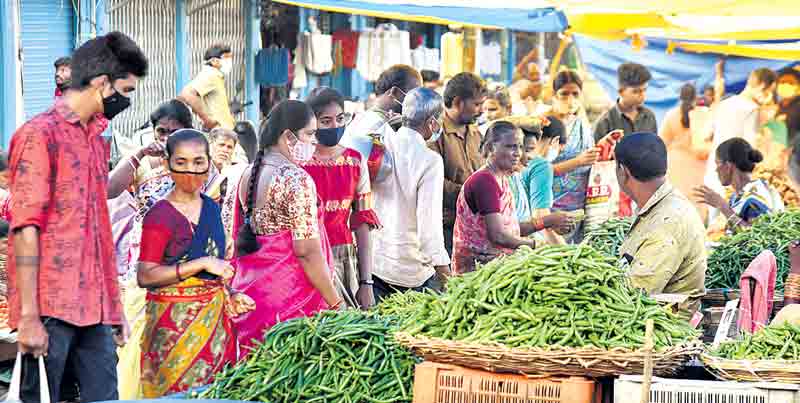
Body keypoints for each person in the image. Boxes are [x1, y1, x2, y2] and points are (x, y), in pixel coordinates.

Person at [8, 31, 148, 403]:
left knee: (106, 396)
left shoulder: (96, 141)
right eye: (126, 90)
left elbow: (100, 230)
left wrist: (114, 308)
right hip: (50, 307)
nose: (127, 101)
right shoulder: (40, 135)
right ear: (102, 84)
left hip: (95, 310)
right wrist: (28, 317)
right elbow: (25, 228)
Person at [137, 129, 251, 398]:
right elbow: (145, 275)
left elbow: (216, 268)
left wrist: (232, 294)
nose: (191, 171)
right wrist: (202, 262)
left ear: (209, 163)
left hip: (213, 326)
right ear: (167, 164)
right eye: (181, 163)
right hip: (172, 330)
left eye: (198, 162)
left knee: (213, 394)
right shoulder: (160, 215)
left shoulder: (211, 208)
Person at [227, 100, 341, 349]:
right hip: (290, 299)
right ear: (288, 136)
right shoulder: (295, 178)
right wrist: (337, 304)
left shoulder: (246, 174)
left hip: (251, 295)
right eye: (309, 134)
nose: (314, 142)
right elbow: (307, 252)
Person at [303, 87, 380, 309]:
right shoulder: (298, 163)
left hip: (344, 257)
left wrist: (366, 282)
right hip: (307, 257)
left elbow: (363, 223)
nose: (335, 126)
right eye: (325, 121)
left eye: (339, 118)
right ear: (312, 123)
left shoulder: (356, 161)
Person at [371, 88, 451, 302]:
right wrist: (446, 276)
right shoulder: (429, 160)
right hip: (410, 272)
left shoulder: (383, 143)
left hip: (375, 263)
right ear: (432, 122)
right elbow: (429, 228)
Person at [616, 133, 707, 317]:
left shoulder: (667, 222)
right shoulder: (660, 206)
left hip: (663, 331)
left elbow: (633, 296)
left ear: (623, 171)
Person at [452, 121, 542, 274]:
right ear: (490, 148)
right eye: (510, 146)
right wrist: (535, 244)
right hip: (477, 272)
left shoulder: (502, 178)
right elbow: (498, 235)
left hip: (497, 268)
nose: (518, 153)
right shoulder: (485, 181)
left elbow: (508, 228)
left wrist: (543, 224)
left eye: (520, 147)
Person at [704, 68, 778, 221]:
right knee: (733, 225)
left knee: (713, 224)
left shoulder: (724, 104)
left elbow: (706, 135)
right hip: (734, 177)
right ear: (763, 86)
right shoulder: (751, 109)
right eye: (768, 92)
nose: (768, 97)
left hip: (715, 169)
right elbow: (749, 148)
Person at [429, 72, 487, 254]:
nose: (481, 110)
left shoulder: (476, 134)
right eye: (477, 104)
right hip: (446, 228)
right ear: (457, 102)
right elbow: (432, 180)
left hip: (475, 225)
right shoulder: (434, 133)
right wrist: (468, 196)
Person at [342, 65, 422, 182]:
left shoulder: (371, 119)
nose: (416, 102)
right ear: (394, 92)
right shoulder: (374, 124)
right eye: (413, 95)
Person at [546, 70, 599, 242]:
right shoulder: (544, 123)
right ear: (554, 95)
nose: (570, 99)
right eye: (564, 94)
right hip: (549, 206)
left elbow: (588, 156)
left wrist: (604, 145)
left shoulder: (581, 124)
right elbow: (538, 169)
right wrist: (578, 162)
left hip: (578, 207)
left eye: (575, 94)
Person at [694, 138, 784, 232]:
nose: (716, 170)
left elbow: (757, 235)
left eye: (717, 164)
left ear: (728, 166)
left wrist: (722, 206)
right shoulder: (736, 196)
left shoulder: (754, 197)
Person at [659, 83, 712, 218]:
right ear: (695, 97)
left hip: (674, 164)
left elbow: (662, 142)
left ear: (680, 97)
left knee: (675, 202)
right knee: (697, 201)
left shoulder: (671, 115)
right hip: (697, 165)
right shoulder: (702, 114)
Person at [517, 117, 573, 242]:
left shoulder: (511, 165)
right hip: (522, 242)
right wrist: (566, 252)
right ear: (556, 141)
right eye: (560, 149)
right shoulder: (541, 166)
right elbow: (541, 216)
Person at [593, 62, 658, 142]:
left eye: (644, 90)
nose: (642, 95)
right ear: (621, 91)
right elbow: (599, 152)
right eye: (636, 91)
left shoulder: (649, 116)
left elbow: (654, 148)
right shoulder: (605, 122)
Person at [178, 43, 235, 131]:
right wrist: (207, 119)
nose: (230, 61)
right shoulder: (211, 74)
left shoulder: (216, 76)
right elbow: (187, 94)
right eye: (226, 58)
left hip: (224, 133)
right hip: (219, 135)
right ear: (214, 61)